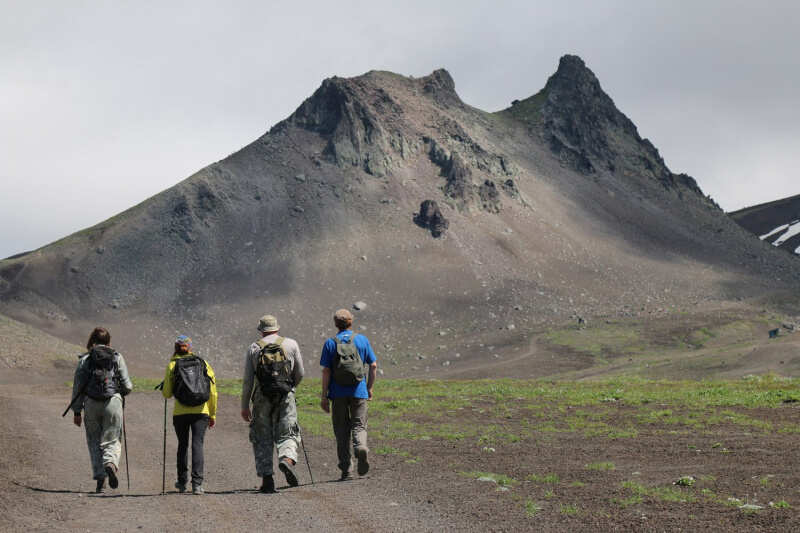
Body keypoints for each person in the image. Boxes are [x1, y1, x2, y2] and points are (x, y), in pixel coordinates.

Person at [241, 315, 305, 493]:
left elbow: (248, 381)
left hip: (262, 396)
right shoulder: (291, 344)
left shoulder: (254, 348)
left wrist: (245, 405)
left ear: (261, 330)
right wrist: (290, 387)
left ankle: (267, 480)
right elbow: (300, 372)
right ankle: (287, 459)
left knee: (262, 437)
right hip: (285, 395)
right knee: (288, 431)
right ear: (277, 328)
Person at [71, 327, 133, 493]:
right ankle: (110, 463)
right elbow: (128, 386)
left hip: (91, 403)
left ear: (92, 340)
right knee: (112, 439)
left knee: (94, 440)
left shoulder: (85, 359)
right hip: (113, 402)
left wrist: (77, 411)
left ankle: (100, 479)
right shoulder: (117, 357)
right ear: (109, 342)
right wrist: (121, 393)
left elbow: (77, 387)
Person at [319, 309, 378, 480]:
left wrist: (324, 396)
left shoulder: (330, 343)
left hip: (337, 394)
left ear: (336, 324)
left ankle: (347, 470)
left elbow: (326, 371)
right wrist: (369, 388)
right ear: (351, 322)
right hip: (359, 391)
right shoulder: (362, 340)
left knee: (341, 430)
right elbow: (373, 366)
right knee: (359, 426)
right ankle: (360, 446)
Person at [161, 335, 217, 495]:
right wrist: (212, 414)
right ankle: (197, 484)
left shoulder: (172, 364)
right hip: (201, 411)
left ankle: (182, 482)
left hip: (180, 412)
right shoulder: (202, 363)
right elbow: (212, 392)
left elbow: (166, 394)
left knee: (182, 445)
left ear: (176, 347)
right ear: (190, 347)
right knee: (197, 444)